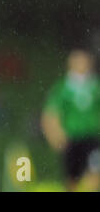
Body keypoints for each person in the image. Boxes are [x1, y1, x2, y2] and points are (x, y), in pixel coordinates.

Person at [41, 49, 99, 191]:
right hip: (71, 138)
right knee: (72, 177)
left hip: (93, 138)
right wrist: (54, 136)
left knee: (95, 171)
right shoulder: (62, 88)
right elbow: (51, 114)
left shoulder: (96, 86)